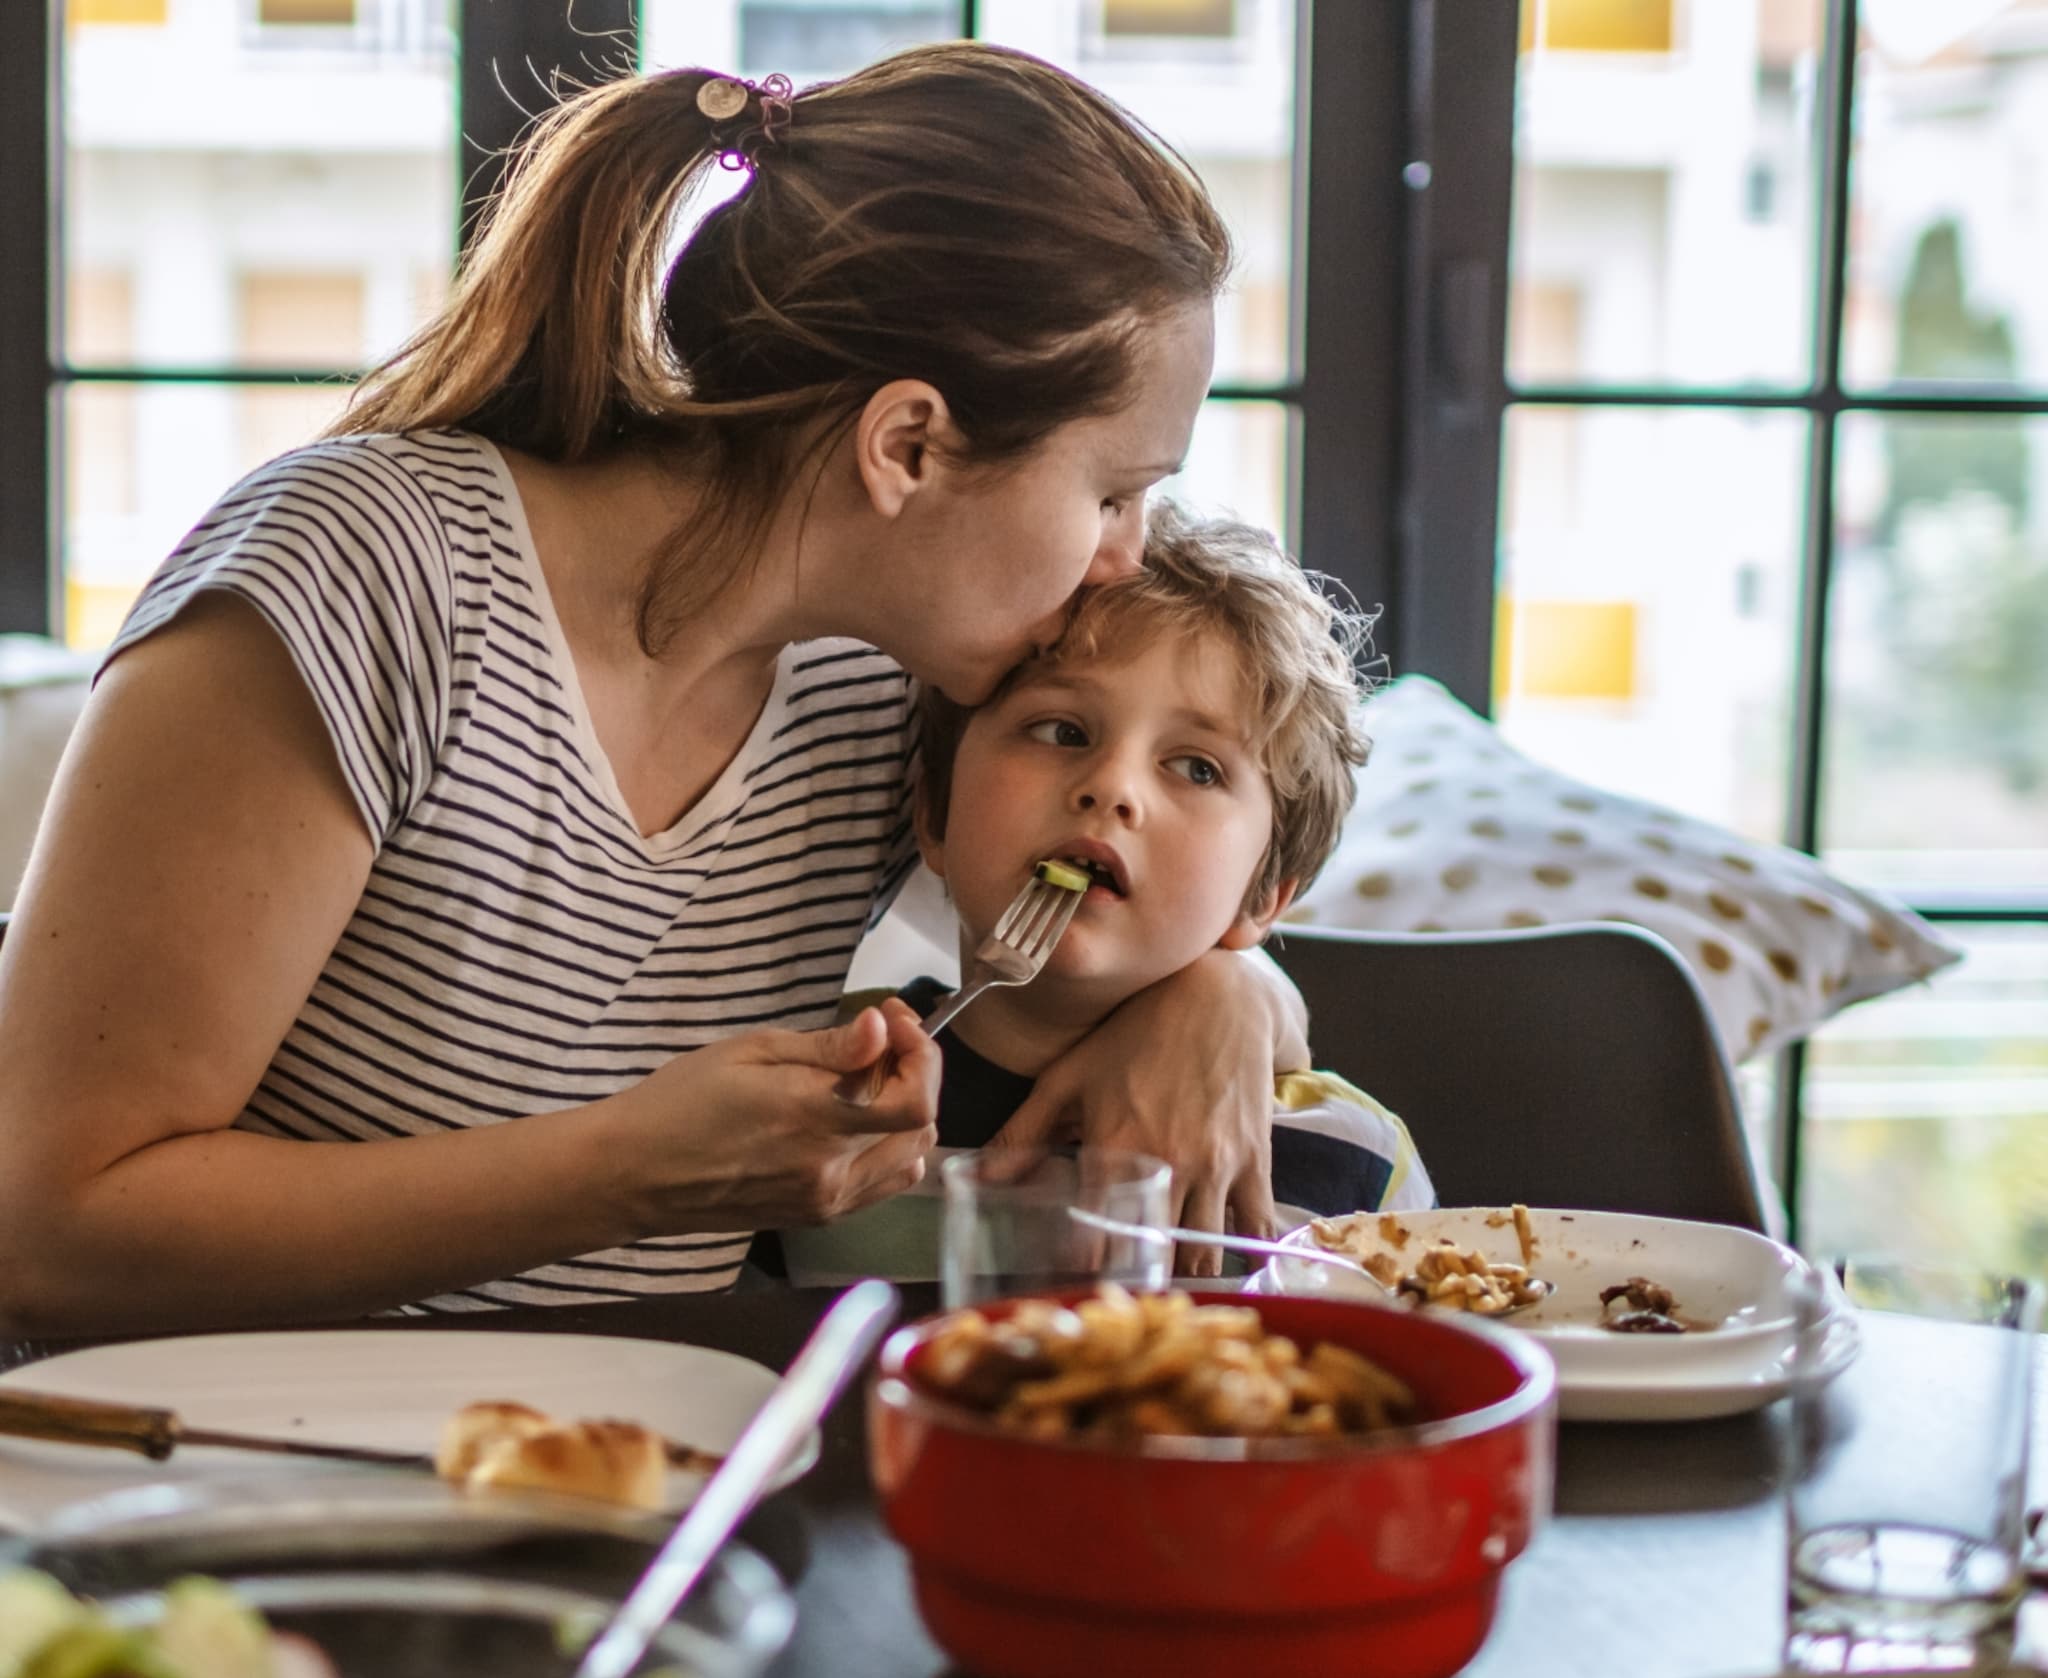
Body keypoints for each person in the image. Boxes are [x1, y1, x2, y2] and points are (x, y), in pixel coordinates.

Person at [0, 45, 1315, 1333]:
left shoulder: (881, 681)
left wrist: (1225, 995)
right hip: (231, 1482)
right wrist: (624, 1175)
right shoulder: (368, 575)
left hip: (658, 1467)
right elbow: (44, 1224)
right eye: (1112, 492)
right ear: (906, 443)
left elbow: (1127, 897)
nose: (1124, 559)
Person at [901, 504, 1433, 1220]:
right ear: (934, 815)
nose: (1114, 786)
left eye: (1196, 768)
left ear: (1261, 897)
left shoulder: (1349, 1159)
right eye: (1061, 730)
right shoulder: (830, 1089)